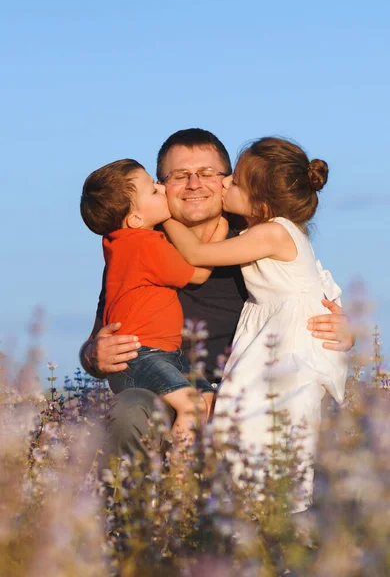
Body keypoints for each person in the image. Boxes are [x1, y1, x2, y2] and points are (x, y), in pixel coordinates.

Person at [79, 128, 353, 465]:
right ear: (162, 187)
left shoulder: (253, 233)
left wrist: (343, 329)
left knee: (300, 412)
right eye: (180, 175)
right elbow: (97, 339)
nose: (195, 183)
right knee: (129, 410)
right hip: (165, 390)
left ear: (227, 180)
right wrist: (95, 354)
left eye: (208, 173)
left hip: (245, 389)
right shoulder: (138, 246)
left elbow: (316, 293)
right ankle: (134, 512)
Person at [163, 136, 348, 511]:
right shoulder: (269, 229)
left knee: (266, 424)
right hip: (272, 332)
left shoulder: (272, 231)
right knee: (244, 421)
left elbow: (196, 254)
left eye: (234, 181)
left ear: (260, 202)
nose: (225, 184)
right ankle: (245, 508)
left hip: (291, 340)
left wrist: (162, 213)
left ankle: (281, 510)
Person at [79, 158, 218, 452]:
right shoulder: (146, 244)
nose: (161, 188)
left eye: (206, 173)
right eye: (156, 188)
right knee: (194, 405)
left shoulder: (121, 243)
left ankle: (180, 467)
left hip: (164, 355)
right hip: (143, 355)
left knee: (205, 398)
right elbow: (201, 271)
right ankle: (178, 486)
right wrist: (221, 223)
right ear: (135, 220)